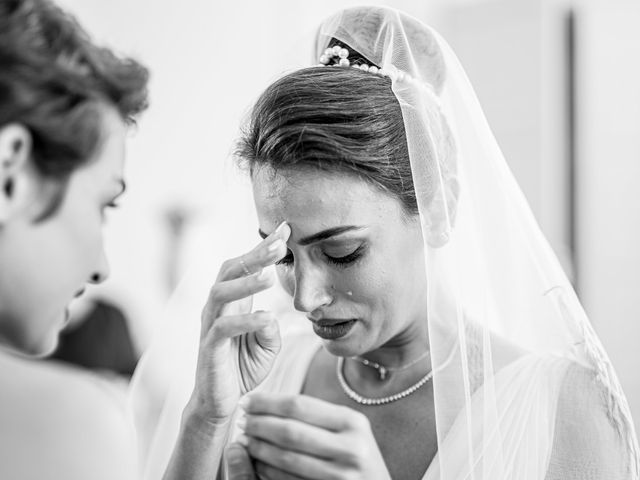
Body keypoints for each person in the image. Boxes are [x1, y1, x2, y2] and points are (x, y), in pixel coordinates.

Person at [133, 6, 640, 480]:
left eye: (341, 252)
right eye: (283, 254)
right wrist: (206, 416)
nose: (304, 299)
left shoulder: (565, 406)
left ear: (438, 207)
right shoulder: (264, 377)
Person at [0, 1, 282, 479]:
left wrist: (207, 416)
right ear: (10, 173)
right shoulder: (66, 425)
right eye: (103, 205)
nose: (101, 267)